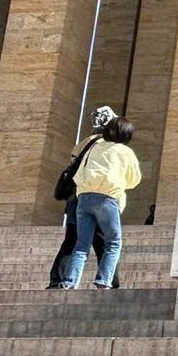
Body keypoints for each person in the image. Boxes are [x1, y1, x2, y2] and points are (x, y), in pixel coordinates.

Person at [58, 117, 141, 290]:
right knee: (113, 242)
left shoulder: (94, 148)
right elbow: (135, 179)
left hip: (85, 198)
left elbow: (80, 173)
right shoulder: (125, 152)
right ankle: (104, 280)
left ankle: (69, 282)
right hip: (107, 198)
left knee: (81, 245)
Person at [48, 106, 120, 289]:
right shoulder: (109, 144)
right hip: (101, 197)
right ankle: (110, 280)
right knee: (105, 241)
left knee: (73, 239)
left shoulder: (84, 142)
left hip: (77, 198)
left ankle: (58, 279)